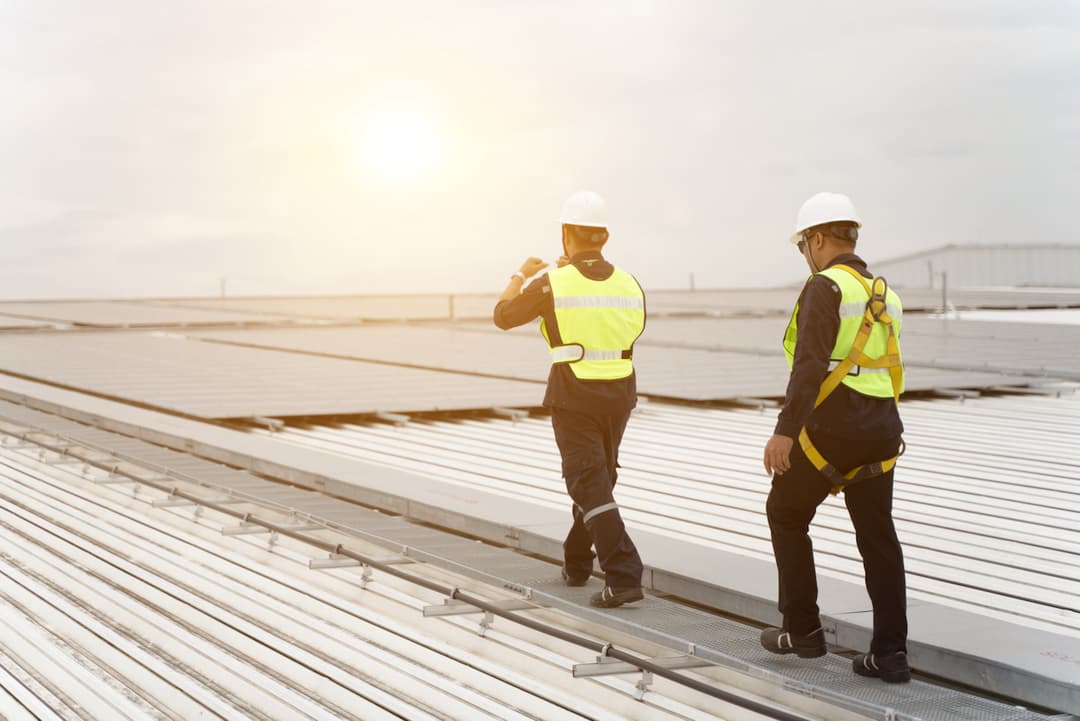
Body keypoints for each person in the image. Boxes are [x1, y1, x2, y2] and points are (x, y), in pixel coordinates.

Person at [760, 192, 911, 683]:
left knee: (785, 513)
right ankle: (890, 655)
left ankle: (802, 630)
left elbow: (809, 368)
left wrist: (784, 433)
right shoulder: (884, 293)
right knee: (878, 538)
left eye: (804, 244)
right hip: (881, 433)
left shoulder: (825, 287)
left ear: (818, 238)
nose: (805, 253)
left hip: (832, 432)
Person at [493, 190, 646, 608]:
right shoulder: (629, 282)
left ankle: (624, 574)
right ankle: (577, 563)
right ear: (604, 237)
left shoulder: (552, 282)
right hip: (620, 391)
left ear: (566, 235)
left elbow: (503, 316)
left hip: (575, 392)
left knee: (588, 483)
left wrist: (520, 275)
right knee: (600, 481)